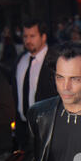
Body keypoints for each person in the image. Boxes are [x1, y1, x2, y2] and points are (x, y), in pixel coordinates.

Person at [12, 19, 57, 149]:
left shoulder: (55, 60)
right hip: (23, 130)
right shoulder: (20, 60)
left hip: (48, 131)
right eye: (25, 36)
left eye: (32, 36)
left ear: (43, 37)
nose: (28, 40)